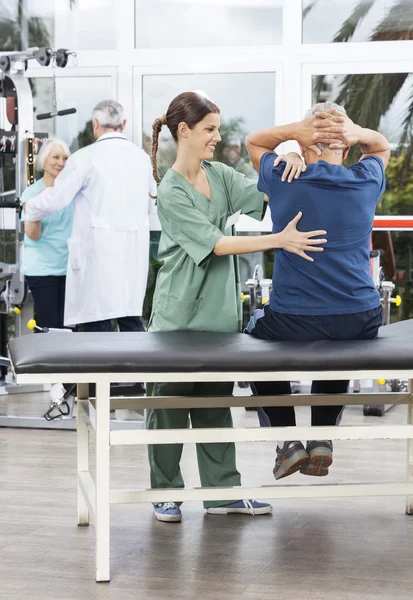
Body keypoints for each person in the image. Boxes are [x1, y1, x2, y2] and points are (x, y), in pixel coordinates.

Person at [147, 91, 328, 523]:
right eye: (209, 128)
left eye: (218, 128)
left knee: (215, 405)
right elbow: (218, 244)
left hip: (219, 315)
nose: (217, 136)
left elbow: (267, 195)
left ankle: (222, 492)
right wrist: (279, 240)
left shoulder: (221, 175)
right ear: (184, 131)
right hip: (177, 317)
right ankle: (164, 493)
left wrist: (291, 158)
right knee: (169, 409)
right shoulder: (170, 191)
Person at [244, 101, 390, 481]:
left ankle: (288, 441)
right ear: (345, 146)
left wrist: (294, 136)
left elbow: (253, 142)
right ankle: (322, 437)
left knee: (254, 335)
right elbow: (381, 147)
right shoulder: (366, 179)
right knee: (340, 343)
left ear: (307, 143)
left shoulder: (284, 177)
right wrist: (357, 134)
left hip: (294, 321)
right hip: (361, 318)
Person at [24, 99, 156, 332]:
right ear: (123, 124)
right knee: (130, 321)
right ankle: (139, 369)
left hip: (97, 256)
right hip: (132, 254)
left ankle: (101, 369)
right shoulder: (142, 158)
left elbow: (56, 198)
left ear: (95, 124)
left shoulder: (85, 157)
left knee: (98, 324)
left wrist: (31, 208)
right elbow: (150, 205)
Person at [21, 138, 72, 329]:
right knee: (51, 326)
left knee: (70, 328)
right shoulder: (31, 193)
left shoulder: (71, 192)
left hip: (69, 269)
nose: (61, 162)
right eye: (56, 157)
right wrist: (36, 208)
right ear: (44, 160)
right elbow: (33, 235)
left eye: (65, 158)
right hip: (42, 270)